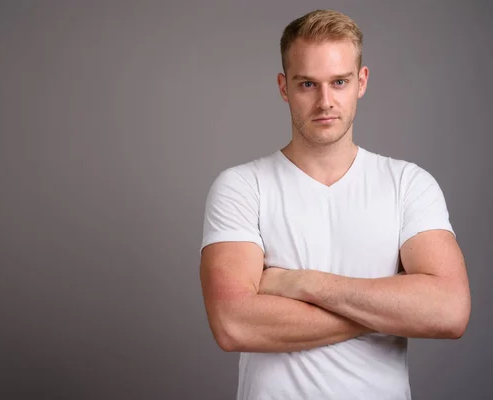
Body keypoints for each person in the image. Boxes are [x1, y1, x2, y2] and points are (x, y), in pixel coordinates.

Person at [198, 9, 471, 400]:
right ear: (283, 87)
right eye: (307, 83)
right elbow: (233, 325)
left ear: (361, 81)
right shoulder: (242, 187)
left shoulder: (408, 184)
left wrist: (302, 283)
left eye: (339, 81)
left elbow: (449, 311)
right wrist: (390, 308)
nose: (325, 101)